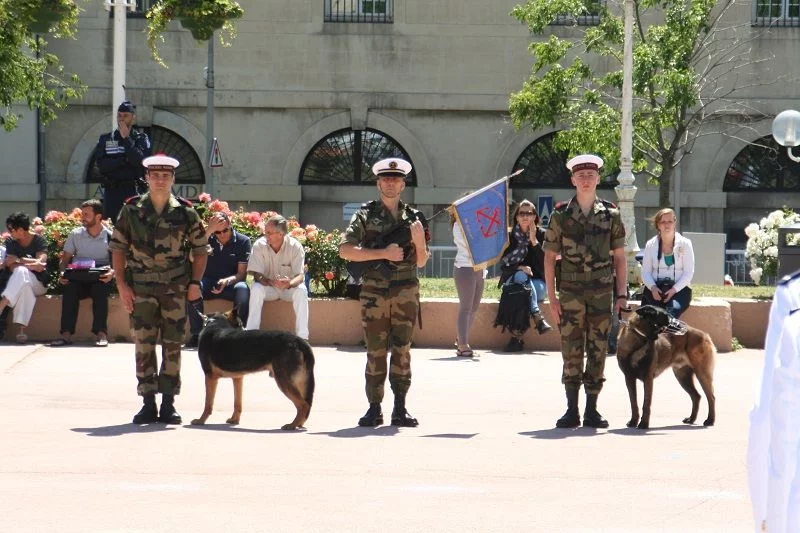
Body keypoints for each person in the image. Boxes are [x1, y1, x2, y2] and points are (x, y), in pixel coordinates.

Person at [109, 154, 209, 424]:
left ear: (173, 179)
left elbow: (201, 250)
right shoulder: (131, 210)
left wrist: (195, 283)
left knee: (172, 345)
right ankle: (147, 403)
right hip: (141, 288)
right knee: (143, 345)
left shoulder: (186, 212)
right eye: (155, 175)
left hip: (175, 288)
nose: (160, 180)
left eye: (165, 176)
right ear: (147, 178)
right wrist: (122, 285)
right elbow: (118, 248)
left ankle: (168, 403)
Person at [339, 157, 430, 428]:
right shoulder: (365, 215)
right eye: (386, 179)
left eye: (396, 179)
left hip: (405, 290)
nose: (391, 183)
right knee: (375, 350)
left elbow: (421, 262)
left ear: (403, 185)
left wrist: (419, 242)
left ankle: (400, 407)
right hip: (375, 291)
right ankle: (374, 408)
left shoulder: (415, 218)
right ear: (378, 184)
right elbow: (345, 250)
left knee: (403, 349)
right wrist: (383, 253)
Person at [543, 154, 628, 429]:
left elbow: (620, 258)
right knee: (571, 349)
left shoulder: (611, 214)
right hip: (570, 292)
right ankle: (572, 410)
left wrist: (622, 295)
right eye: (581, 176)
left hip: (602, 292)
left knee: (598, 348)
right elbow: (548, 258)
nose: (586, 180)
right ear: (573, 180)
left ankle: (592, 409)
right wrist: (552, 299)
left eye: (591, 175)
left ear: (598, 179)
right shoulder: (560, 215)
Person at [50, 199, 115, 347]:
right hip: (78, 276)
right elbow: (65, 260)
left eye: (86, 214)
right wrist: (62, 274)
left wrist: (112, 273)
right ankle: (66, 335)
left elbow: (118, 262)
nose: (82, 217)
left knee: (100, 290)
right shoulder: (75, 234)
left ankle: (101, 334)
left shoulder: (110, 236)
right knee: (70, 289)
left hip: (99, 277)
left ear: (98, 217)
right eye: (82, 214)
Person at [185, 211, 252, 348]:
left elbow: (242, 274)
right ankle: (197, 334)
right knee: (194, 287)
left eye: (225, 230)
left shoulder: (243, 241)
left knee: (243, 289)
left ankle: (239, 333)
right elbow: (192, 257)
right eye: (217, 232)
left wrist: (227, 281)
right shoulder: (206, 238)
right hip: (207, 282)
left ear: (230, 225)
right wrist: (208, 231)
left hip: (230, 284)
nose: (222, 234)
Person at [497, 199, 553, 352]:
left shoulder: (542, 234)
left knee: (523, 290)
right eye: (522, 213)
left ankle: (516, 338)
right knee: (521, 280)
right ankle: (536, 315)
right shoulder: (509, 237)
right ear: (516, 216)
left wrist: (534, 241)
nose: (525, 216)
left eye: (529, 213)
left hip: (538, 282)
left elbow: (546, 264)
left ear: (535, 216)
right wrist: (520, 267)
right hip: (512, 279)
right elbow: (503, 263)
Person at [245, 215, 308, 340]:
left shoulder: (295, 246)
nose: (265, 235)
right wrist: (268, 281)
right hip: (269, 287)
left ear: (281, 234)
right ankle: (251, 336)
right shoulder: (259, 245)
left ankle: (303, 338)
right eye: (265, 232)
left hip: (288, 289)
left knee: (302, 291)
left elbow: (300, 276)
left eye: (269, 232)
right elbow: (256, 274)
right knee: (256, 288)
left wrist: (289, 283)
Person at [95, 100, 152, 223]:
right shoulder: (106, 139)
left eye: (126, 115)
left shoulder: (140, 139)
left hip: (133, 190)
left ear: (133, 118)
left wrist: (126, 138)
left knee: (133, 226)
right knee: (112, 227)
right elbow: (102, 165)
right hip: (112, 192)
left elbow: (140, 161)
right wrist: (123, 159)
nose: (122, 119)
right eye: (119, 115)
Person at [0, 212, 49, 344]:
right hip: (20, 282)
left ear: (21, 230)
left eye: (11, 230)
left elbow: (41, 265)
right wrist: (31, 263)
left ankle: (3, 303)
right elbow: (11, 266)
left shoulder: (39, 240)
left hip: (38, 283)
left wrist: (19, 260)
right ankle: (22, 331)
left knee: (21, 271)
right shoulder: (11, 242)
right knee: (24, 284)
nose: (9, 232)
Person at [640, 207, 694, 318]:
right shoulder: (651, 245)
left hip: (679, 290)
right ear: (658, 225)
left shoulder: (685, 244)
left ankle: (669, 329)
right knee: (649, 315)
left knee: (671, 312)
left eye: (670, 221)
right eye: (663, 222)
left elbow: (688, 273)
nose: (667, 225)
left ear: (675, 223)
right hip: (655, 289)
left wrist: (674, 290)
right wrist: (653, 288)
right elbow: (645, 272)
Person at [452, 211, 486, 358]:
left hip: (480, 268)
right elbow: (471, 244)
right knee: (466, 308)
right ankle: (463, 345)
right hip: (465, 267)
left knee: (474, 308)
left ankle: (460, 338)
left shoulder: (481, 222)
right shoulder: (458, 224)